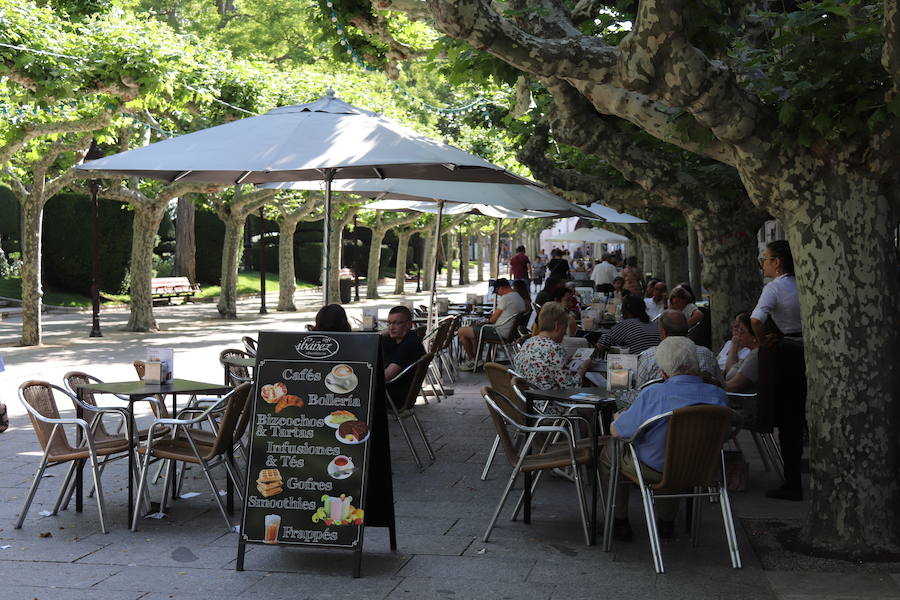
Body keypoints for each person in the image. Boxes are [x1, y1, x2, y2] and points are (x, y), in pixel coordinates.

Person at [601, 336, 728, 541]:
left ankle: (619, 521)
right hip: (704, 466)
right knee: (674, 450)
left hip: (658, 468)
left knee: (612, 449)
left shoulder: (654, 393)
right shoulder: (718, 395)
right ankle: (666, 521)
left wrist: (617, 418)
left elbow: (618, 431)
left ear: (663, 371)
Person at [751, 240, 806, 501]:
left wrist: (761, 340)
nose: (762, 263)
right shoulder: (803, 283)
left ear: (777, 262)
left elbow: (756, 319)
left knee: (787, 420)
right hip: (809, 351)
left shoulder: (773, 288)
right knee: (799, 417)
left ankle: (792, 481)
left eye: (766, 258)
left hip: (787, 356)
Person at [633, 310, 723, 388]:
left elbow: (638, 390)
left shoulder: (648, 356)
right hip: (705, 406)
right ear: (687, 329)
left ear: (662, 332)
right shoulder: (706, 354)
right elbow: (721, 385)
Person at [514, 301, 592, 390]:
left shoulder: (528, 343)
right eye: (565, 327)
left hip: (527, 399)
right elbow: (571, 388)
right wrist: (583, 368)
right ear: (557, 326)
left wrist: (564, 361)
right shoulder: (555, 349)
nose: (564, 333)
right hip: (550, 401)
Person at [457, 278, 527, 370]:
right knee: (474, 329)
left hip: (499, 332)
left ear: (501, 288)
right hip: (509, 332)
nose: (498, 294)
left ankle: (473, 359)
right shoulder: (518, 297)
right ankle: (477, 359)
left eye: (497, 292)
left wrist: (488, 319)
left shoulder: (506, 297)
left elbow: (493, 319)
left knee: (461, 331)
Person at [381, 305, 426, 403]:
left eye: (396, 323)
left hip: (393, 397)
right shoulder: (409, 337)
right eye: (389, 323)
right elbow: (382, 335)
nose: (391, 327)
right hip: (399, 393)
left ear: (409, 324)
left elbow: (387, 376)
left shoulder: (408, 345)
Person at [724, 313, 759, 393]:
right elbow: (730, 371)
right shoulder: (751, 354)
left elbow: (734, 386)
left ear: (754, 337)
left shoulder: (755, 355)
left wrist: (710, 388)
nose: (738, 334)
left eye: (742, 331)